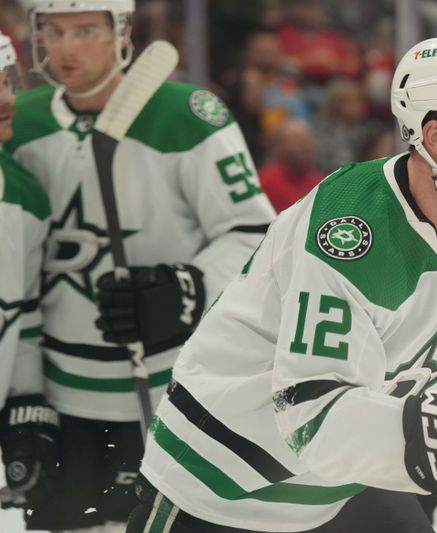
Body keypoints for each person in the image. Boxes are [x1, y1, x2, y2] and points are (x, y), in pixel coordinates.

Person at [125, 35, 437, 533]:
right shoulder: (348, 233)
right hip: (221, 481)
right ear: (435, 138)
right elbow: (311, 417)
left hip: (336, 487)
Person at [3, 1, 275, 531]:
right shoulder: (22, 121)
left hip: (168, 387)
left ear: (121, 33)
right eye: (52, 32)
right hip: (61, 394)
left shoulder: (187, 113)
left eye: (84, 30)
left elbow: (256, 235)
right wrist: (24, 392)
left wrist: (189, 286)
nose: (64, 48)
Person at [0, 29, 58, 514]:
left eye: (8, 81)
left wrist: (25, 402)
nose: (7, 99)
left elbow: (21, 318)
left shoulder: (25, 199)